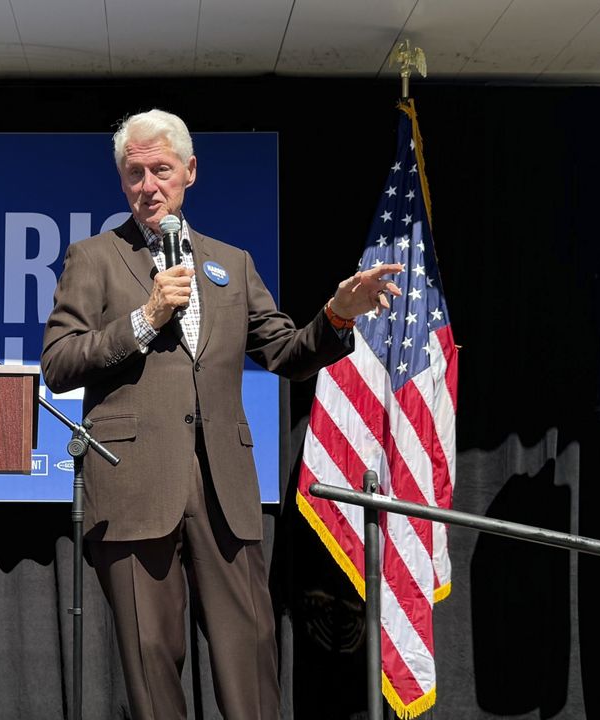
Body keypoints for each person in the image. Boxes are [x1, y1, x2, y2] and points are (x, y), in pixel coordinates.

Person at [40, 109, 400, 720]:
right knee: (152, 658)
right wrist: (143, 319)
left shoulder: (231, 264)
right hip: (133, 484)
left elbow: (286, 352)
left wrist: (337, 315)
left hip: (223, 489)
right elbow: (59, 361)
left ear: (190, 172)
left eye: (161, 170)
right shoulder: (95, 257)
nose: (148, 185)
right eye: (135, 174)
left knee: (250, 652)